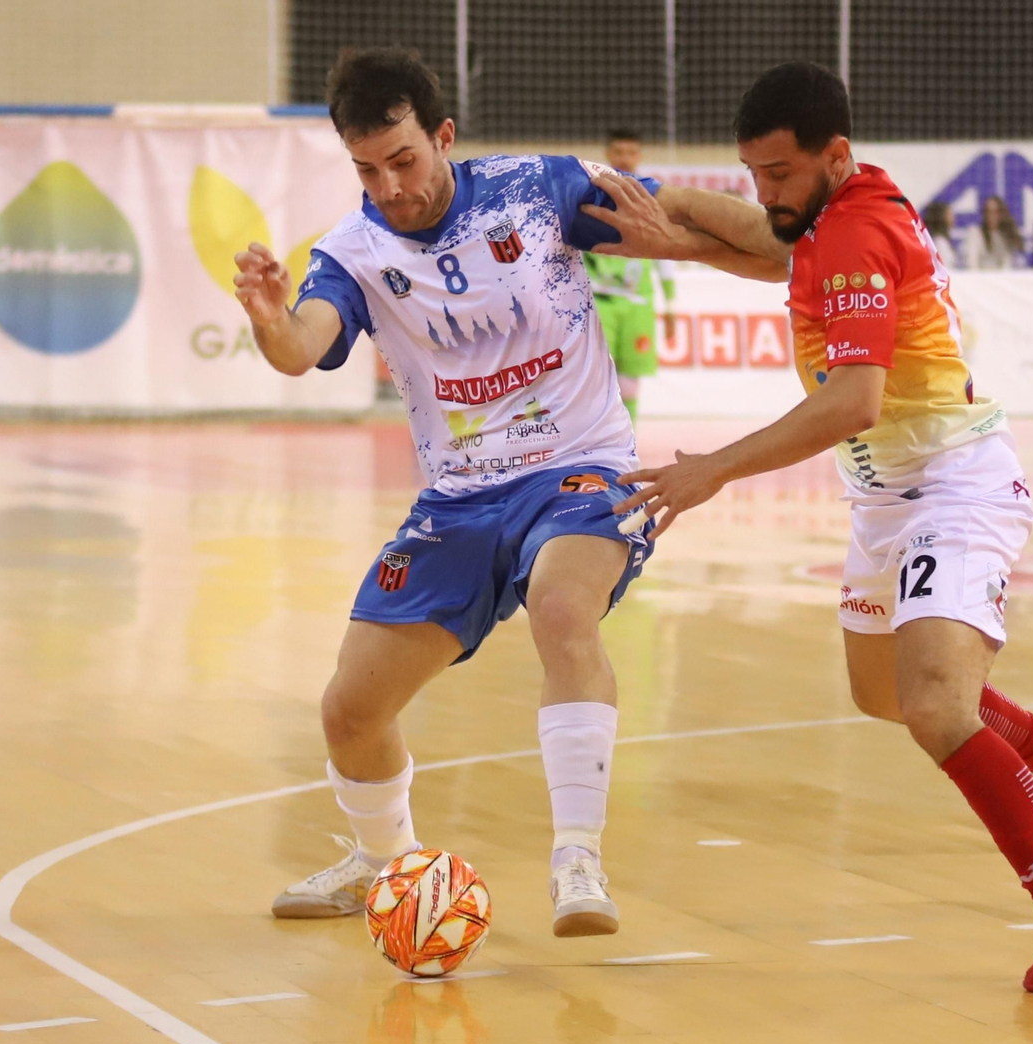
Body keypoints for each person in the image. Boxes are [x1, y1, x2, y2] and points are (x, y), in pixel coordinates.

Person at [588, 61, 1033, 993]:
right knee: (880, 692)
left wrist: (712, 468)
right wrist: (670, 214)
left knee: (934, 708)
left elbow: (854, 402)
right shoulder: (843, 203)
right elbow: (767, 240)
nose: (765, 192)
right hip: (888, 499)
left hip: (955, 487)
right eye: (752, 171)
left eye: (781, 173)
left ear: (834, 156)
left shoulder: (856, 232)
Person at [233, 48, 781, 938]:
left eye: (404, 161)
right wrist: (266, 318)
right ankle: (388, 866)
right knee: (350, 709)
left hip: (581, 471)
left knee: (563, 609)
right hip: (458, 499)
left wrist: (790, 232)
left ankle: (577, 862)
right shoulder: (354, 251)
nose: (391, 186)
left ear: (443, 137)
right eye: (367, 169)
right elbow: (303, 347)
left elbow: (673, 208)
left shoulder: (536, 191)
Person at [583, 129, 676, 422]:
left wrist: (671, 304)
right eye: (619, 152)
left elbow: (667, 253)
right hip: (599, 303)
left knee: (630, 384)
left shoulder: (655, 198)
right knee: (596, 382)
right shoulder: (586, 194)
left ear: (640, 156)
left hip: (637, 303)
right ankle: (600, 447)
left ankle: (629, 446)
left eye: (630, 152)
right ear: (608, 154)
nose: (624, 158)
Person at [962, 194, 1022, 270]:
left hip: (1000, 280)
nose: (991, 216)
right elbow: (971, 263)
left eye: (995, 212)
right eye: (988, 211)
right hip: (979, 279)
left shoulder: (1005, 237)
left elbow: (1007, 265)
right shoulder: (975, 234)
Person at [920, 201, 958, 269]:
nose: (953, 218)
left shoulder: (941, 241)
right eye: (949, 214)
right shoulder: (939, 242)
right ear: (941, 217)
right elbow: (944, 267)